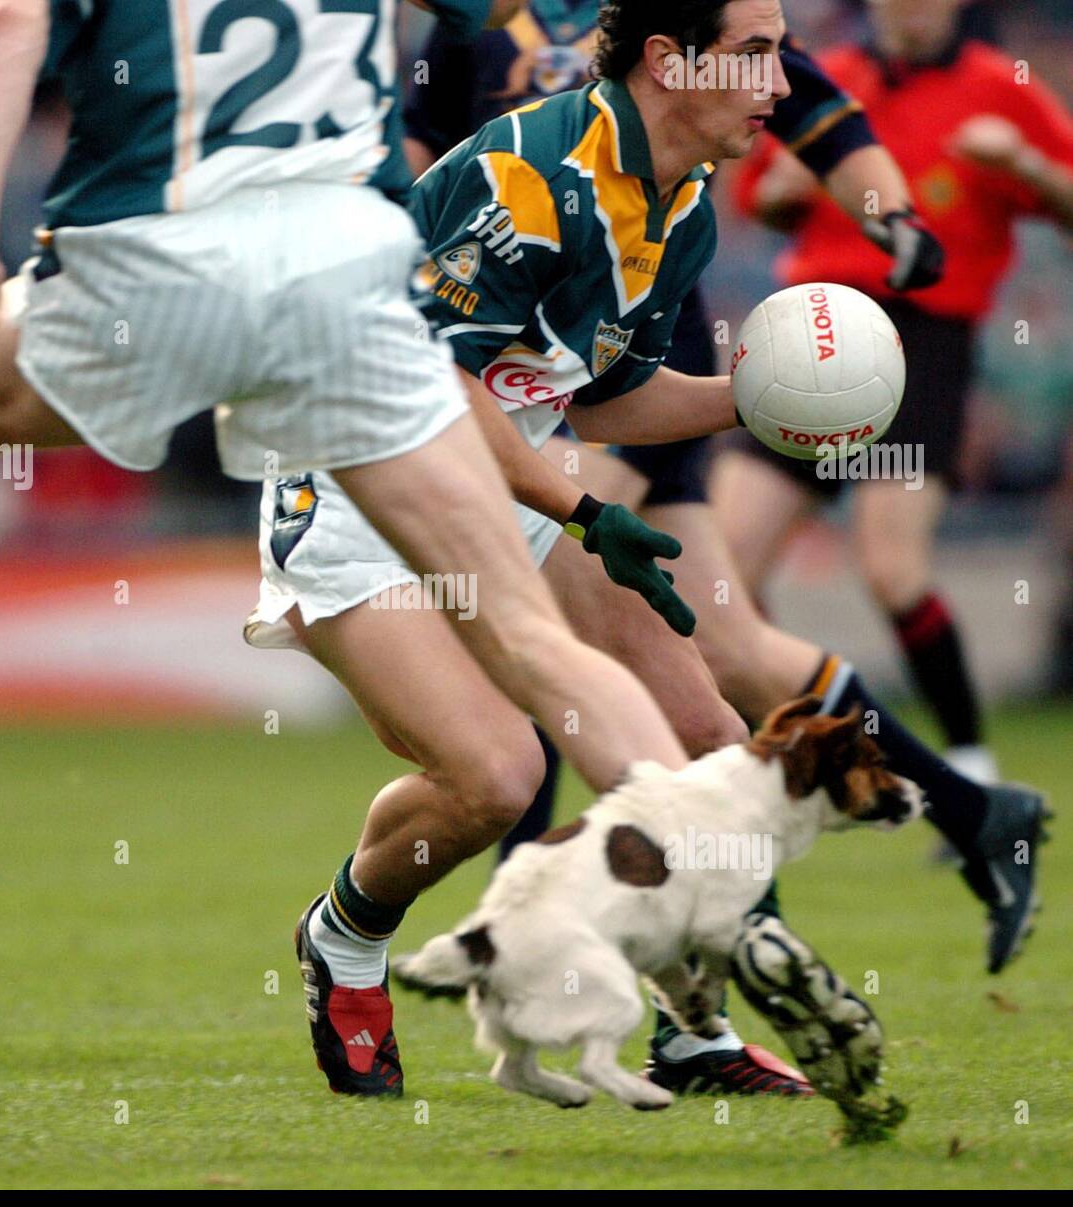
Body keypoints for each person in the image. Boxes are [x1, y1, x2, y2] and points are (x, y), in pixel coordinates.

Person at [0, 0, 697, 936]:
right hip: (342, 291)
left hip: (154, 258)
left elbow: (11, 25)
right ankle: (722, 887)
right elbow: (516, 17)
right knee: (532, 645)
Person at [391, 0, 1042, 1091]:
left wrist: (881, 219)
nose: (772, 76)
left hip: (620, 342)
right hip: (495, 358)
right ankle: (952, 820)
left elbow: (814, 105)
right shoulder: (481, 37)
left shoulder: (689, 68)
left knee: (673, 687)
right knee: (678, 684)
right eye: (753, 57)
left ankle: (670, 999)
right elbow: (408, 163)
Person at [714, 0, 1073, 801]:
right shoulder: (830, 76)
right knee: (724, 564)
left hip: (922, 336)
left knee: (890, 566)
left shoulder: (999, 87)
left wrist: (1024, 165)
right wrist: (790, 182)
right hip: (811, 329)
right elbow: (762, 204)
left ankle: (971, 769)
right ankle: (784, 757)